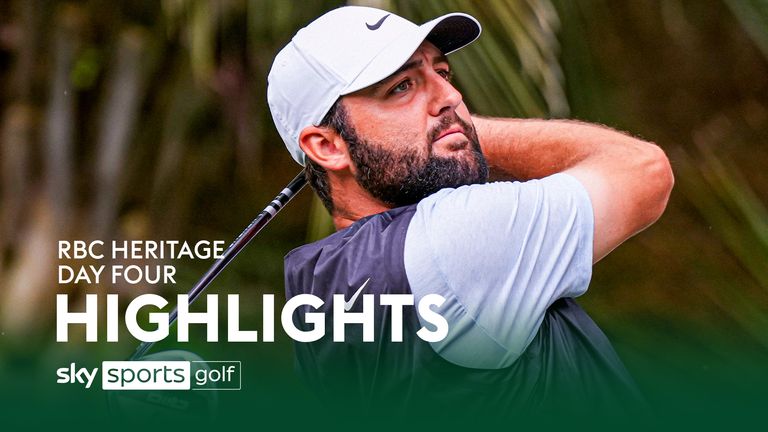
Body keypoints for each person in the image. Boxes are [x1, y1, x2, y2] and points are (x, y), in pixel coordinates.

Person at [267, 6, 673, 415]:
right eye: (402, 86)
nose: (453, 97)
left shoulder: (322, 290)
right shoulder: (451, 238)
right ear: (327, 146)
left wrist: (440, 129)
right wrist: (458, 129)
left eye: (441, 74)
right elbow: (643, 171)